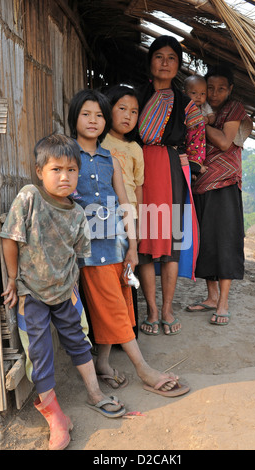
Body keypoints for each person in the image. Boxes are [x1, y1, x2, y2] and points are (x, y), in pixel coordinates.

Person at [0, 134, 126, 451]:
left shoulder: (77, 214)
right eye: (56, 169)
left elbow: (78, 253)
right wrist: (13, 279)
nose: (64, 176)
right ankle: (55, 416)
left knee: (78, 340)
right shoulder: (30, 197)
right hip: (32, 293)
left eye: (71, 170)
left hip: (64, 292)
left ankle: (95, 393)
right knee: (39, 352)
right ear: (40, 170)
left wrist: (72, 287)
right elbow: (10, 239)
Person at [68, 88, 190, 398]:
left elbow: (125, 203)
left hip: (118, 245)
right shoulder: (67, 155)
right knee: (114, 308)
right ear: (74, 118)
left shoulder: (110, 158)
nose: (93, 120)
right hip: (89, 249)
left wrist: (133, 246)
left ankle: (103, 363)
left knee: (119, 304)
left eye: (98, 115)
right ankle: (144, 369)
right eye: (86, 114)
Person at [137, 35, 206, 336]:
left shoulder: (186, 104)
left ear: (178, 65)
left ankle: (167, 308)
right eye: (159, 56)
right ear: (150, 61)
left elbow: (197, 141)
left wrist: (190, 165)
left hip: (170, 171)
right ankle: (151, 309)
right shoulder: (135, 97)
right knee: (144, 240)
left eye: (171, 58)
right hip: (139, 170)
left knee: (170, 243)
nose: (165, 63)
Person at [187, 65, 253, 325]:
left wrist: (198, 124)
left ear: (231, 89)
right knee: (205, 242)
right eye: (210, 88)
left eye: (221, 88)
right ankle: (211, 297)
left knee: (225, 242)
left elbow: (225, 142)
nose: (214, 93)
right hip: (200, 183)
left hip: (225, 184)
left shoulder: (234, 108)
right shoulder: (199, 109)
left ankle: (223, 302)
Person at [102, 84, 144, 337]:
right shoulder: (98, 140)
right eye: (122, 109)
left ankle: (127, 332)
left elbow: (138, 187)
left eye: (134, 112)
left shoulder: (135, 149)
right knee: (105, 276)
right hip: (103, 215)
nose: (128, 116)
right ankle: (106, 333)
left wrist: (139, 224)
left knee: (127, 273)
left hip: (128, 217)